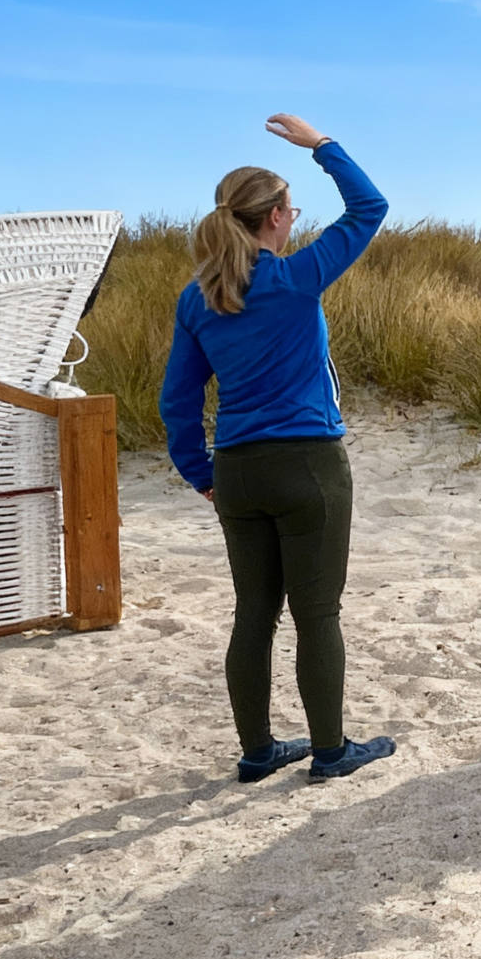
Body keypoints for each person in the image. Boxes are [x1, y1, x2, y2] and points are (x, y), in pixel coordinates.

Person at [159, 114, 395, 785]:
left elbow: (176, 402)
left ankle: (258, 752)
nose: (295, 218)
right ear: (273, 221)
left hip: (236, 472)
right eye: (290, 208)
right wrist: (322, 145)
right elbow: (370, 207)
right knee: (316, 612)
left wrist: (200, 473)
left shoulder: (198, 297)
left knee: (253, 615)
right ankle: (329, 752)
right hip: (309, 467)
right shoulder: (294, 280)